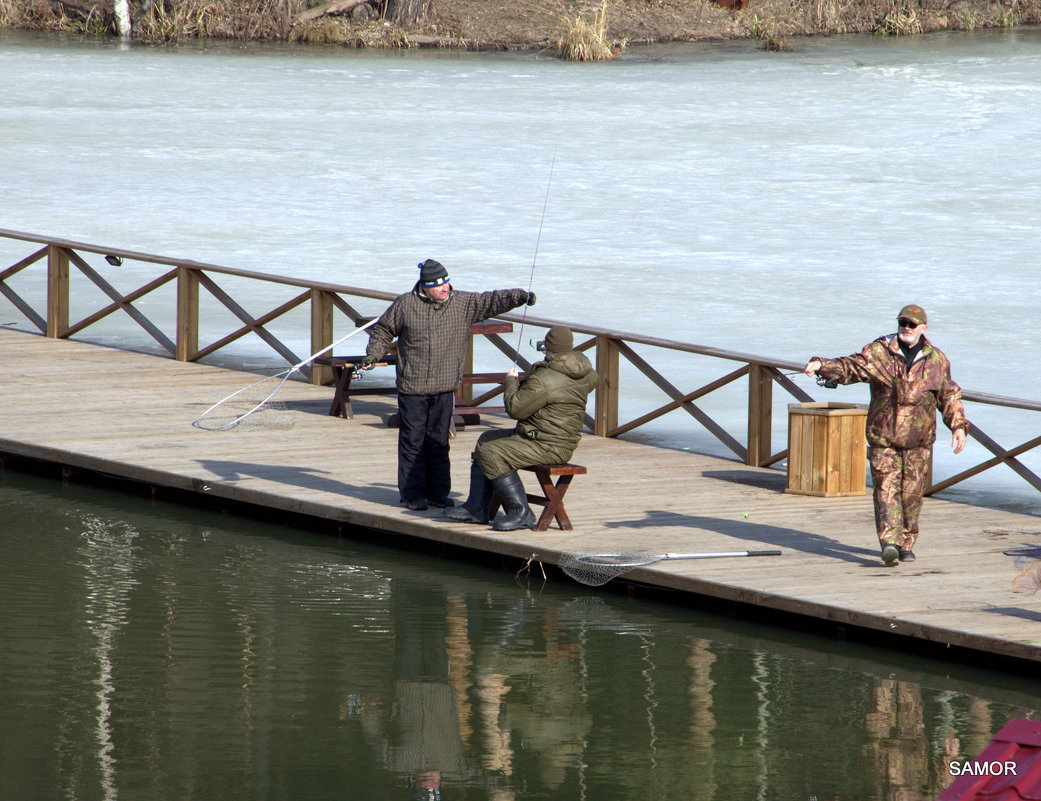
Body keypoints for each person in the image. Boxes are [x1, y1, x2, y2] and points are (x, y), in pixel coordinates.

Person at [804, 304, 969, 567]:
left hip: (918, 443)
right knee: (885, 491)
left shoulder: (937, 360)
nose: (906, 327)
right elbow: (850, 367)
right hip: (884, 440)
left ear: (923, 329)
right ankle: (889, 544)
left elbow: (949, 395)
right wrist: (821, 365)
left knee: (911, 496)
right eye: (903, 322)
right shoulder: (880, 352)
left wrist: (958, 426)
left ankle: (906, 543)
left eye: (912, 324)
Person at [362, 259, 534, 511]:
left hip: (444, 387)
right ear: (425, 286)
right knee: (413, 442)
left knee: (439, 441)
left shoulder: (462, 303)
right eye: (439, 285)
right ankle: (412, 495)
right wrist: (373, 354)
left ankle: (438, 494)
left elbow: (491, 300)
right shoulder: (405, 304)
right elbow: (382, 331)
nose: (445, 288)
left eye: (446, 282)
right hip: (413, 387)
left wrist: (519, 296)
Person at [446, 325, 599, 531]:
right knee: (486, 439)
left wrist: (511, 382)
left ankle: (521, 511)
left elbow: (516, 409)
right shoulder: (585, 373)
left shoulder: (544, 379)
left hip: (547, 445)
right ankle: (476, 507)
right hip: (556, 439)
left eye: (546, 348)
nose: (543, 351)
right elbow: (578, 384)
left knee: (491, 452)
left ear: (549, 349)